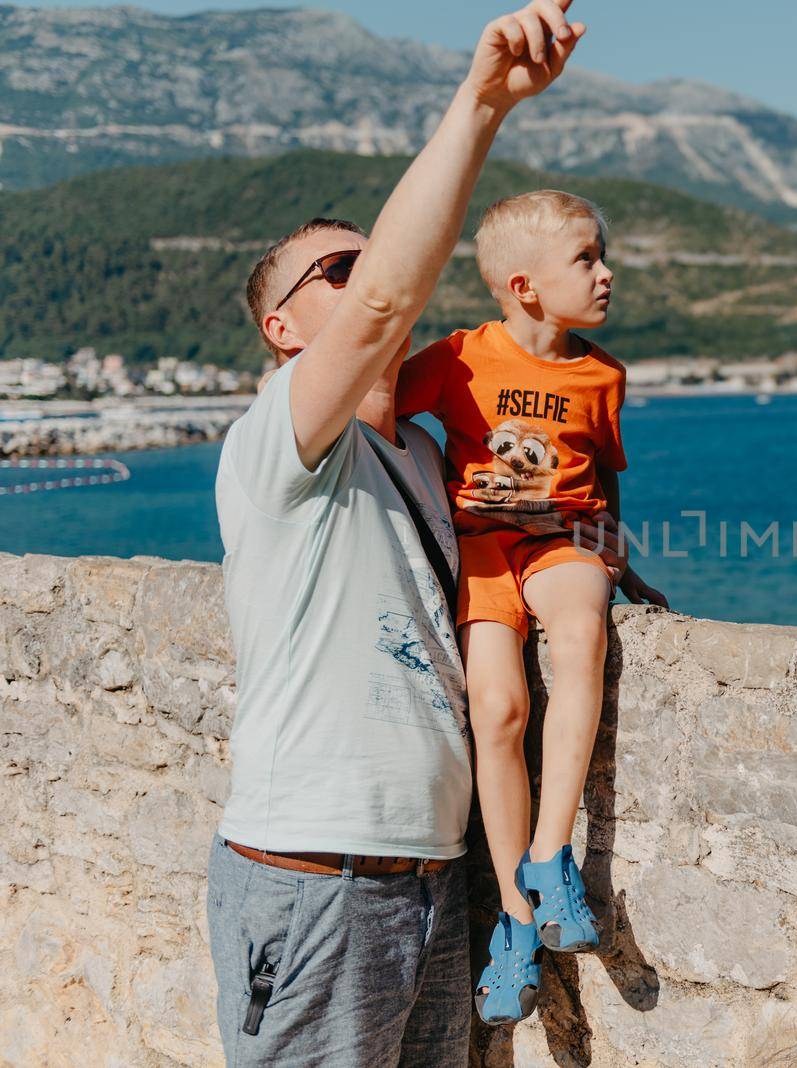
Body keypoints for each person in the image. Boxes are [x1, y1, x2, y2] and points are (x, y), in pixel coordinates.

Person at [207, 4, 598, 1063]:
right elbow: (386, 306)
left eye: (373, 257)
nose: (377, 273)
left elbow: (544, 525)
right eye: (338, 269)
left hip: (428, 877)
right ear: (282, 329)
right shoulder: (279, 439)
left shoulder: (424, 458)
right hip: (313, 877)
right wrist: (481, 105)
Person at [395, 188, 667, 1025]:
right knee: (500, 710)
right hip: (480, 546)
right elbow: (375, 411)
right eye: (586, 258)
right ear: (524, 285)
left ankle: (552, 859)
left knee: (581, 636)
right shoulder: (459, 358)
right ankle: (516, 922)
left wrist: (625, 565)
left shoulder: (602, 374)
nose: (606, 271)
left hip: (567, 537)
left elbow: (605, 477)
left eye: (601, 254)